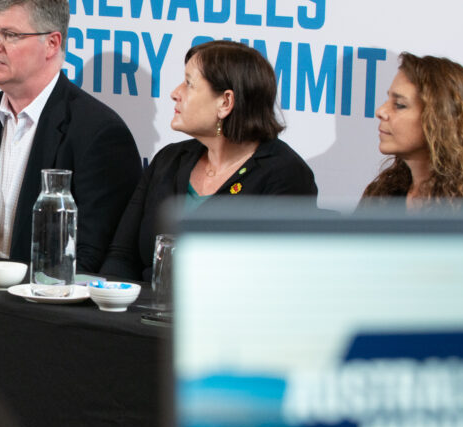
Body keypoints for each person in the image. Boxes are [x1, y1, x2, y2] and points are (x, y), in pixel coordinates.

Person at [0, 0, 141, 272]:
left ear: (51, 43)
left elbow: (92, 258)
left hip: (46, 306)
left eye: (9, 35)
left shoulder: (98, 133)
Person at [101, 40, 318, 281]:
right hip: (138, 314)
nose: (175, 93)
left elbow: (271, 283)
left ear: (225, 102)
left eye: (189, 84)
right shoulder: (169, 160)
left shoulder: (286, 176)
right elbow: (120, 258)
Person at [360, 52, 463, 208]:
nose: (380, 111)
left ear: (438, 121)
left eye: (399, 105)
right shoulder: (381, 195)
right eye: (387, 100)